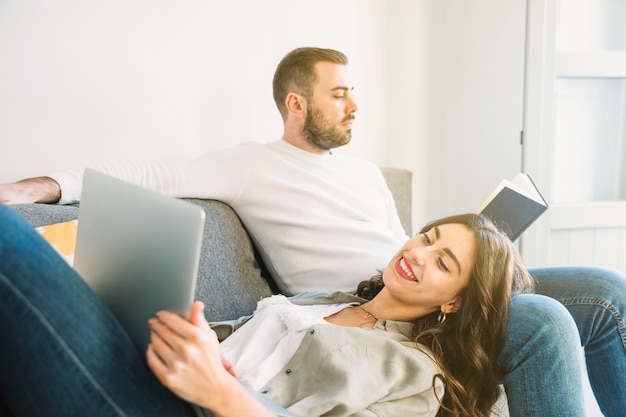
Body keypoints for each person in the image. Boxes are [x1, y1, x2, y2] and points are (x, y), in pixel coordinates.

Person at [1, 47, 624, 416]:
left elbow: (398, 245)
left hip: (390, 315)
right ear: (297, 104)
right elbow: (144, 173)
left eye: (355, 94)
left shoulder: (367, 178)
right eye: (340, 94)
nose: (355, 106)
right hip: (348, 304)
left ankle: (483, 271)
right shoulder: (253, 165)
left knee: (601, 294)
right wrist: (33, 188)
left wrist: (462, 255)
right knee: (550, 317)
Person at [0, 203, 531, 416]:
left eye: (442, 262)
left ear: (454, 301)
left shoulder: (418, 373)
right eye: (427, 237)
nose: (417, 253)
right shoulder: (327, 300)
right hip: (157, 375)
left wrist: (220, 391)